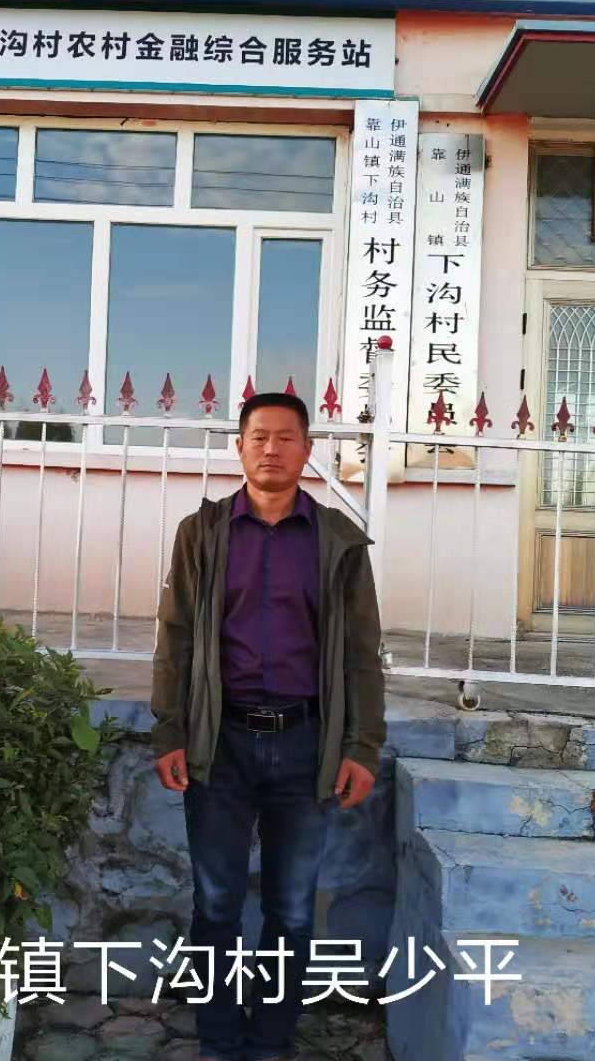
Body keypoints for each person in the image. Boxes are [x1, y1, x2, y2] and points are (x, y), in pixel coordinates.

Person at [150, 390, 386, 1061]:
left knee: (290, 909)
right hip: (218, 742)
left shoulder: (338, 542)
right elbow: (175, 636)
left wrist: (363, 746)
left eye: (286, 438)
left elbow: (361, 652)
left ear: (307, 450)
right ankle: (220, 1041)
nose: (272, 449)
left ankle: (271, 1042)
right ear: (240, 448)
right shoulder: (203, 533)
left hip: (306, 743)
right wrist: (169, 731)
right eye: (259, 437)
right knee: (216, 905)